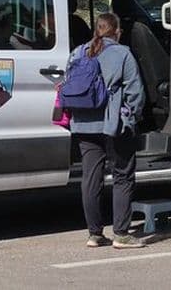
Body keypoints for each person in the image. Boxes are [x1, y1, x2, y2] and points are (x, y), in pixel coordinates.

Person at [68, 13, 146, 249]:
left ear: (96, 30)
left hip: (82, 122)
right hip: (114, 125)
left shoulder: (79, 51)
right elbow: (135, 92)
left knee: (90, 179)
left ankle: (94, 234)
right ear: (117, 31)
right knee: (123, 175)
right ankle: (121, 234)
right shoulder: (122, 53)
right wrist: (133, 117)